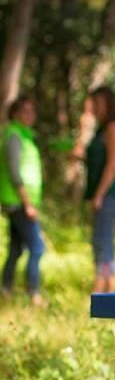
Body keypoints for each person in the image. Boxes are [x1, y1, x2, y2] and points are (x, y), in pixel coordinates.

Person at [0, 96, 45, 306]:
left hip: (20, 201)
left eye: (32, 111)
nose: (30, 115)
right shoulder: (14, 136)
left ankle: (5, 289)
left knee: (16, 248)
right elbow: (14, 172)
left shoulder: (25, 136)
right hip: (18, 202)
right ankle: (33, 293)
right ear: (15, 113)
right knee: (37, 247)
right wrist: (27, 203)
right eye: (25, 111)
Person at [83, 86, 115, 293]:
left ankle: (102, 290)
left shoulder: (113, 129)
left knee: (103, 240)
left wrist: (99, 195)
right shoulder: (100, 130)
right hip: (101, 195)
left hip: (109, 195)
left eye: (99, 103)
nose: (96, 108)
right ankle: (107, 291)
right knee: (100, 240)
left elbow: (113, 165)